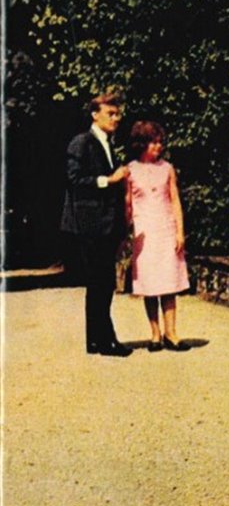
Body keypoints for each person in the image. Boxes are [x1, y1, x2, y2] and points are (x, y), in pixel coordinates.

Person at [60, 90, 131, 356]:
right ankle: (105, 340)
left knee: (101, 282)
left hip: (105, 224)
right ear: (94, 114)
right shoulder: (82, 142)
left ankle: (95, 340)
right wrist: (110, 180)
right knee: (101, 281)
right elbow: (74, 179)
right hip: (89, 223)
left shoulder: (106, 143)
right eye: (110, 113)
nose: (116, 118)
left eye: (117, 114)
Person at [126, 120, 190, 351]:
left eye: (160, 142)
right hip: (144, 233)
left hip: (166, 229)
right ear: (141, 144)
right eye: (153, 142)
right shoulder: (130, 170)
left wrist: (180, 232)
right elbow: (127, 205)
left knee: (168, 282)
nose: (158, 146)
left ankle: (171, 333)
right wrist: (125, 233)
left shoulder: (167, 168)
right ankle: (155, 335)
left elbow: (175, 200)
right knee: (150, 284)